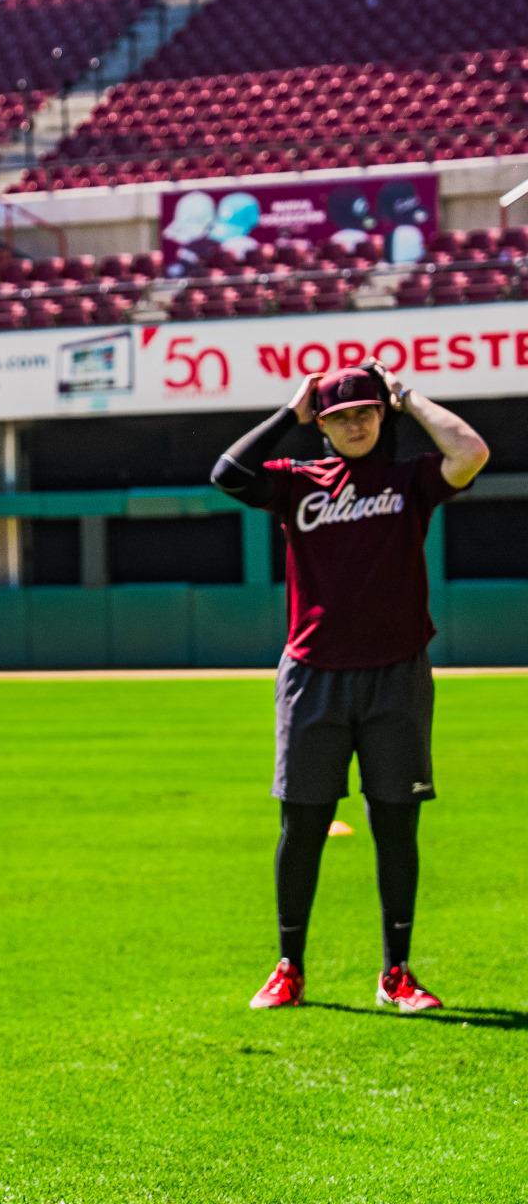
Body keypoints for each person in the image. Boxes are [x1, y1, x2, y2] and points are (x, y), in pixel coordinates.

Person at [210, 361, 489, 1012]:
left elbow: (470, 452)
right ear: (324, 425)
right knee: (302, 824)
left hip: (396, 674)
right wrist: (289, 413)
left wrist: (409, 397)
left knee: (396, 824)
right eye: (340, 417)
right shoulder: (297, 483)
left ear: (381, 415)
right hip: (312, 676)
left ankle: (397, 972)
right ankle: (289, 967)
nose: (355, 424)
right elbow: (227, 474)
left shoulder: (408, 479)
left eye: (365, 412)